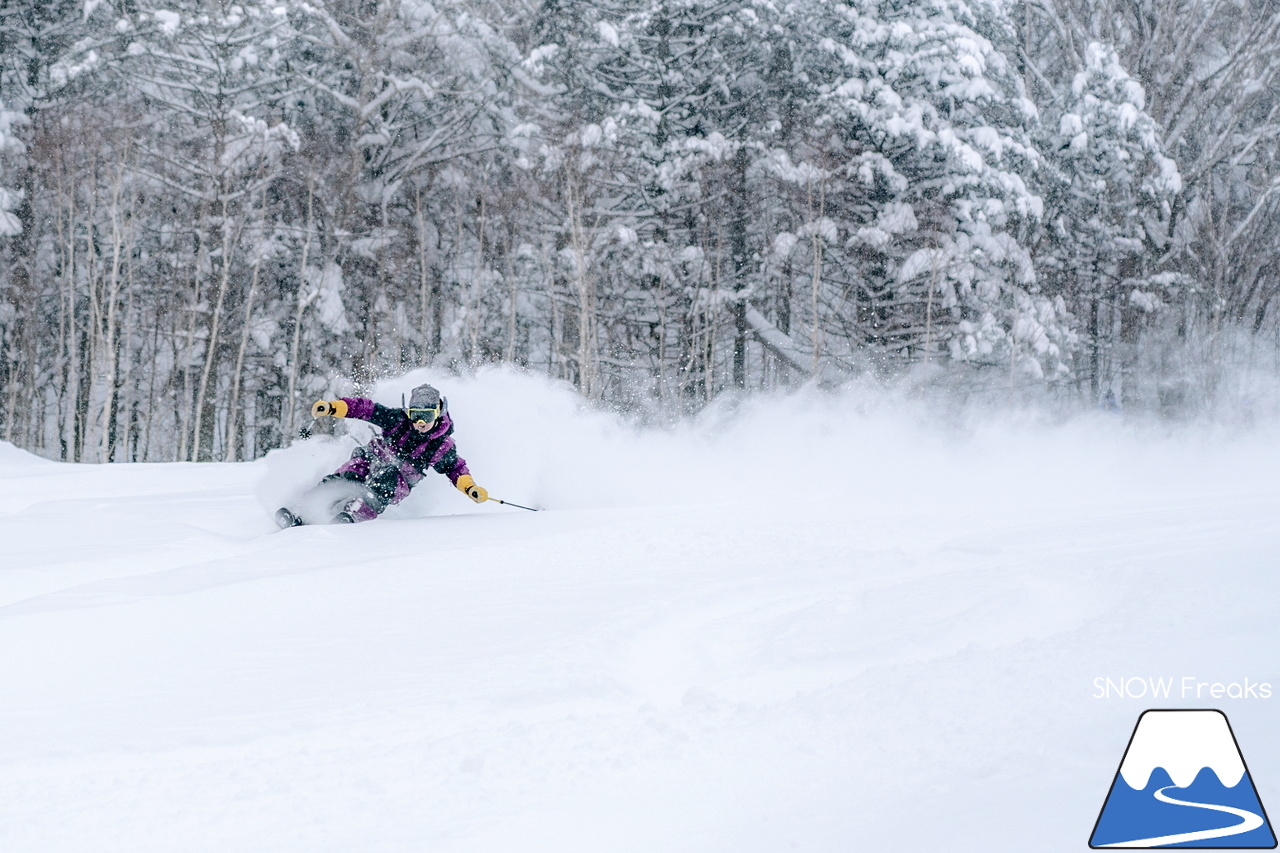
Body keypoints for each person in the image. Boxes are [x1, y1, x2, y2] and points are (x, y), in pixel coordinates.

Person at [276, 383, 487, 527]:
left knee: (386, 479)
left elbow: (455, 468)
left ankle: (352, 514)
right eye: (415, 416)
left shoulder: (441, 444)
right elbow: (366, 409)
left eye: (426, 416)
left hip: (399, 478)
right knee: (352, 471)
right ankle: (302, 510)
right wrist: (333, 408)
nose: (420, 423)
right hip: (374, 457)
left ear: (439, 413)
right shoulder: (397, 420)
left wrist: (470, 488)